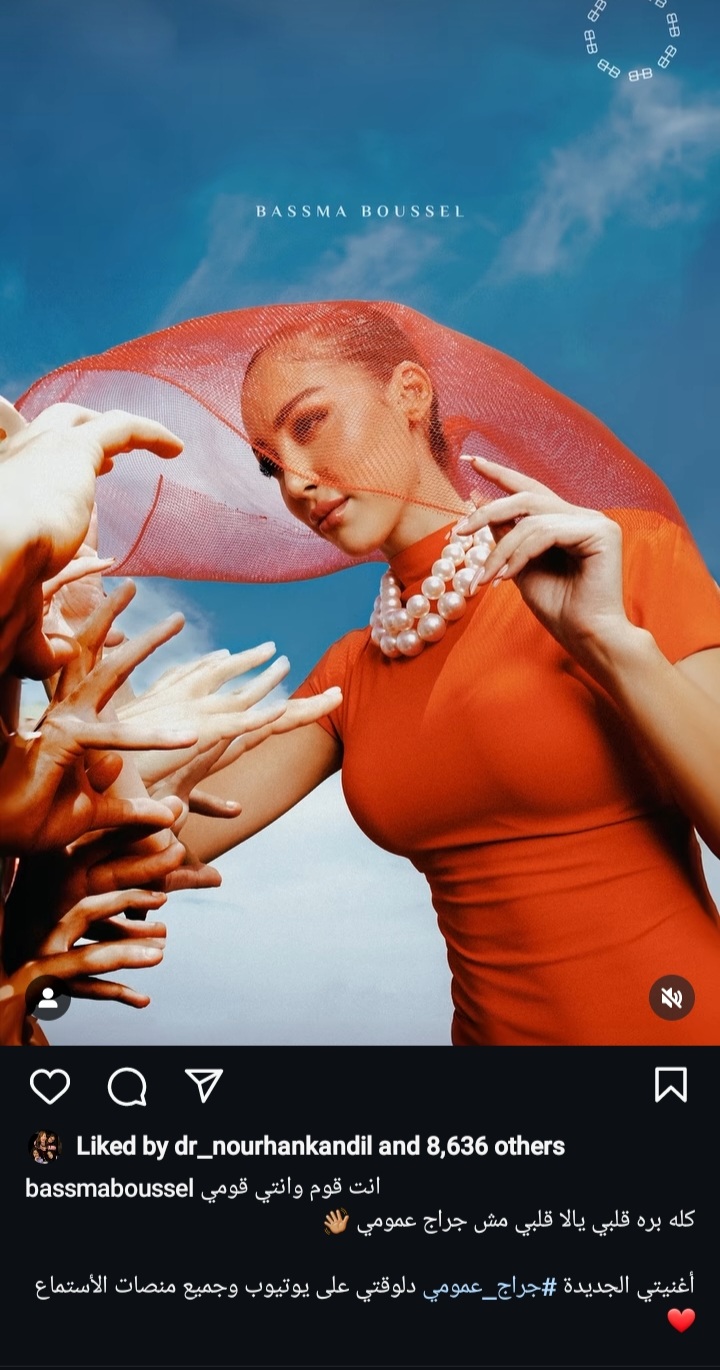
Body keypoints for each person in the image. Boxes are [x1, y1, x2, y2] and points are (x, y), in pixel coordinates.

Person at [167, 302, 720, 1047]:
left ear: (409, 392)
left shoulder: (627, 559)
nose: (294, 482)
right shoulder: (352, 674)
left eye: (310, 424)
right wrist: (45, 618)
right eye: (270, 465)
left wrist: (610, 643)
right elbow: (155, 844)